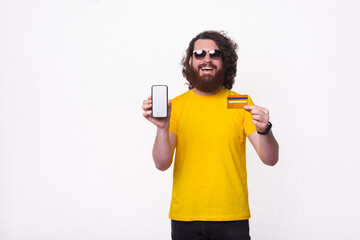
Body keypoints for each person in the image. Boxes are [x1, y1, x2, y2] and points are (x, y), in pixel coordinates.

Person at [142, 30, 279, 240]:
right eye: (200, 54)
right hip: (185, 218)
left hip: (232, 218)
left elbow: (270, 159)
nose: (207, 59)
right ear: (190, 61)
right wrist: (162, 128)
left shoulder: (240, 103)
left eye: (215, 54)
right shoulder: (175, 107)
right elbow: (161, 163)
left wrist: (265, 130)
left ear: (225, 62)